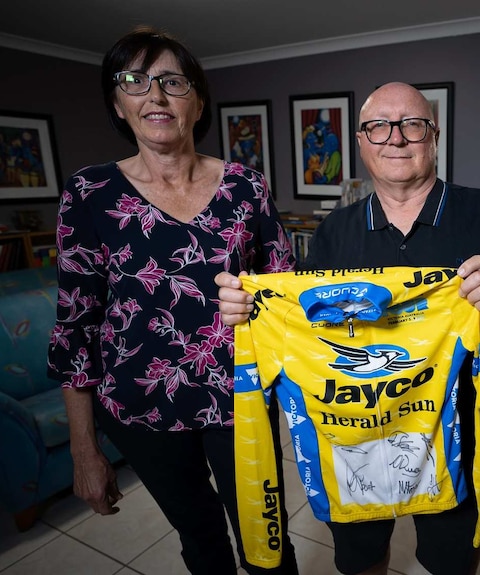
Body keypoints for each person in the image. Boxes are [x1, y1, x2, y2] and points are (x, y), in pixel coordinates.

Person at [217, 81, 480, 575]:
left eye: (412, 125)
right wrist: (249, 308)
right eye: (379, 127)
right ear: (361, 141)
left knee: (453, 556)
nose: (396, 138)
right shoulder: (333, 232)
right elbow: (304, 325)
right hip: (354, 430)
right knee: (361, 555)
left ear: (433, 137)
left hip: (457, 426)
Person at [46, 26, 299, 575]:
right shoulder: (89, 194)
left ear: (198, 101)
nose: (155, 95)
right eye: (134, 81)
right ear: (118, 103)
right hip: (139, 408)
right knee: (201, 538)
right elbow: (75, 328)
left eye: (172, 81)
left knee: (268, 536)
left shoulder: (245, 187)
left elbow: (286, 295)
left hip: (243, 399)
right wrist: (84, 450)